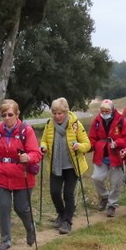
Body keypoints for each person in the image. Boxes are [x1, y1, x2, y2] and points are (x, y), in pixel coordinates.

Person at [0, 99, 41, 250]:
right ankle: (6, 241)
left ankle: (30, 228)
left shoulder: (27, 131)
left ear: (17, 114)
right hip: (1, 175)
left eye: (10, 114)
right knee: (3, 208)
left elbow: (36, 153)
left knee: (21, 208)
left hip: (22, 175)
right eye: (4, 115)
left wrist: (28, 157)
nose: (6, 117)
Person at [39, 97, 91, 235]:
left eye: (60, 113)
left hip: (72, 166)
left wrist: (79, 146)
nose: (57, 116)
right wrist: (43, 147)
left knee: (68, 194)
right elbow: (44, 140)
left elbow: (87, 144)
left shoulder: (75, 125)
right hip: (55, 165)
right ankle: (61, 213)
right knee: (54, 192)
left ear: (66, 112)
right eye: (55, 113)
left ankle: (67, 221)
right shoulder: (49, 124)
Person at [87, 99, 126, 217]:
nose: (104, 113)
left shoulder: (121, 120)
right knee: (96, 178)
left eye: (107, 111)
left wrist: (118, 143)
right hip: (101, 154)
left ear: (112, 110)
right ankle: (104, 196)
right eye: (102, 111)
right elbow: (92, 137)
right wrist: (88, 147)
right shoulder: (97, 120)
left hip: (116, 155)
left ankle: (112, 205)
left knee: (115, 182)